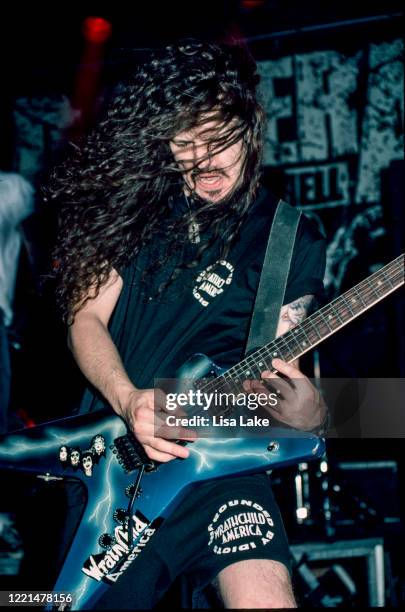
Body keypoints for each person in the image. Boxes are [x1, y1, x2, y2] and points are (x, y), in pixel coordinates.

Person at [50, 39, 327, 609]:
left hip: (224, 466)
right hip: (118, 465)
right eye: (185, 144)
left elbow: (277, 379)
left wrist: (309, 413)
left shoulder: (289, 238)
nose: (204, 162)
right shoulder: (127, 208)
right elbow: (85, 318)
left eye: (218, 140)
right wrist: (130, 401)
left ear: (250, 128)